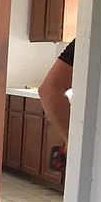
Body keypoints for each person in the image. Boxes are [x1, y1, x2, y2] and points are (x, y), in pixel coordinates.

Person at [38, 39, 74, 171]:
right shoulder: (92, 33)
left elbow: (49, 90)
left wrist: (71, 139)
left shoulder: (94, 33)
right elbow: (49, 90)